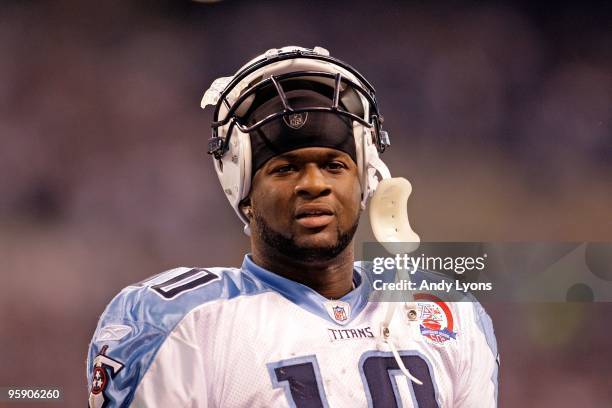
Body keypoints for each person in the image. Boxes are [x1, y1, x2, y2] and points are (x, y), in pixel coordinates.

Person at [87, 46, 498, 407]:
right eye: (285, 169)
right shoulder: (181, 320)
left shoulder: (446, 313)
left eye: (334, 165)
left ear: (366, 182)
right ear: (244, 190)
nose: (314, 184)